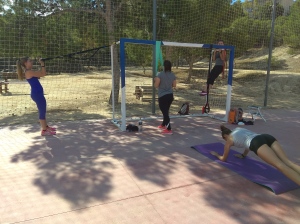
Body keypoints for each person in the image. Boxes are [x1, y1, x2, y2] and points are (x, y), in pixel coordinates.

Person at [210, 125, 300, 185]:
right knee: (287, 162)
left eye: (224, 139)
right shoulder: (238, 129)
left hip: (257, 143)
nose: (226, 141)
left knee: (280, 166)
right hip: (266, 137)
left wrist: (217, 155)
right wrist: (243, 155)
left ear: (225, 136)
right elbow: (246, 141)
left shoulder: (229, 139)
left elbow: (223, 159)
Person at [16, 57, 56, 136]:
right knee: (42, 111)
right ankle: (44, 130)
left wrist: (41, 66)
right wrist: (42, 64)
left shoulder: (29, 71)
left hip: (38, 93)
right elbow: (43, 73)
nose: (32, 62)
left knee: (43, 110)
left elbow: (39, 74)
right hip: (37, 94)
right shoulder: (29, 72)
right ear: (25, 63)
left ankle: (46, 127)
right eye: (30, 61)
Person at [154, 60, 176, 134]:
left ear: (164, 66)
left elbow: (156, 85)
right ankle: (163, 124)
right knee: (166, 111)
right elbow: (174, 85)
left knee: (165, 113)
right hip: (170, 96)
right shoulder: (172, 75)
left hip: (162, 96)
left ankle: (169, 129)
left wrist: (155, 80)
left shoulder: (160, 74)